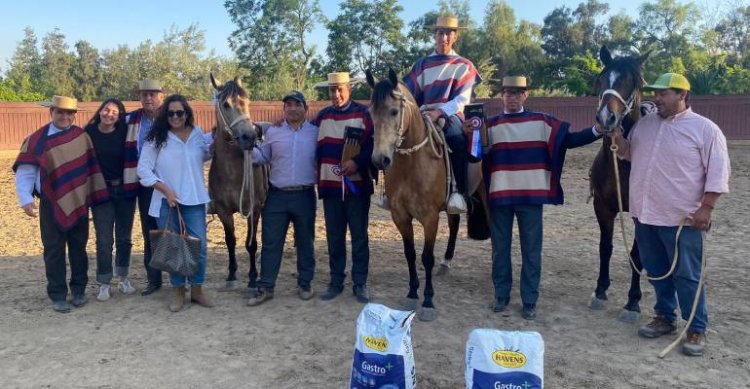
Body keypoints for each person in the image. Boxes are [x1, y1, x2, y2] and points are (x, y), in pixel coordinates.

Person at [612, 73, 730, 356]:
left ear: (681, 95)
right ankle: (665, 316)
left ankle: (696, 327)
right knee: (656, 271)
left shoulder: (705, 130)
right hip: (645, 215)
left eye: (663, 94)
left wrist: (707, 207)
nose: (656, 98)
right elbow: (629, 154)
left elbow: (718, 172)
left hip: (683, 219)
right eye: (655, 93)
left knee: (687, 275)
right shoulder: (644, 126)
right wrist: (618, 139)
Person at [473, 76, 603, 320]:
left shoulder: (541, 122)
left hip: (530, 198)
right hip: (500, 197)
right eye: (507, 93)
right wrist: (467, 133)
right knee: (500, 250)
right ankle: (501, 295)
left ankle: (529, 300)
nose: (511, 97)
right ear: (501, 96)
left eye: (516, 93)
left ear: (525, 96)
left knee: (531, 251)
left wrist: (598, 130)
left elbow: (571, 140)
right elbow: (471, 152)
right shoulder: (487, 125)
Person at [13, 96, 109, 312]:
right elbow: (26, 172)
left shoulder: (81, 137)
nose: (65, 117)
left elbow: (90, 169)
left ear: (74, 115)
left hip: (79, 200)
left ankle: (78, 290)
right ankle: (57, 294)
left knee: (78, 248)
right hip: (50, 202)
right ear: (52, 112)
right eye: (60, 112)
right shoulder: (37, 141)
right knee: (53, 250)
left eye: (69, 113)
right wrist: (26, 199)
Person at [137, 94, 214, 312]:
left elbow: (204, 155)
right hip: (166, 202)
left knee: (198, 248)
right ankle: (179, 290)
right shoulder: (156, 138)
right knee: (173, 248)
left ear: (187, 113)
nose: (175, 117)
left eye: (179, 112)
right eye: (170, 113)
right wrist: (165, 190)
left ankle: (197, 289)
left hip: (195, 200)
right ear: (165, 115)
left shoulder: (197, 134)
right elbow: (143, 169)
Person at [403, 15, 482, 213]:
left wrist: (440, 112)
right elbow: (409, 93)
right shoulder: (421, 64)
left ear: (455, 37)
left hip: (451, 114)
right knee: (398, 136)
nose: (444, 37)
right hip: (423, 114)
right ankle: (393, 191)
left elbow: (462, 100)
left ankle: (459, 193)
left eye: (449, 33)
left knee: (457, 138)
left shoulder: (465, 65)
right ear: (434, 35)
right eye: (440, 33)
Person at [246, 91, 318, 307]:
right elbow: (263, 157)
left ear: (305, 108)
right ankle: (266, 286)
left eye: (297, 104)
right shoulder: (274, 132)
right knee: (271, 242)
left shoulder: (315, 132)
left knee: (305, 242)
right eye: (288, 105)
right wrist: (248, 149)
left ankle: (305, 283)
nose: (293, 108)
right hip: (277, 195)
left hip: (305, 194)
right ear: (284, 109)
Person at [312, 72, 374, 303]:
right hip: (330, 187)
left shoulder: (364, 114)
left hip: (356, 188)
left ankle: (360, 283)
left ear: (349, 89)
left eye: (340, 89)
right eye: (332, 90)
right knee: (334, 237)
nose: (336, 94)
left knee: (359, 237)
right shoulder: (321, 117)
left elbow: (374, 145)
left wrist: (356, 162)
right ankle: (336, 280)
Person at [85, 98, 140, 301]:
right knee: (104, 240)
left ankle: (123, 278)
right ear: (100, 111)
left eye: (115, 112)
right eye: (106, 110)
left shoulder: (126, 132)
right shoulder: (88, 134)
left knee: (124, 238)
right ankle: (104, 282)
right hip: (101, 192)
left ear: (120, 116)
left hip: (125, 190)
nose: (109, 114)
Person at [127, 79, 165, 296]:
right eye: (144, 94)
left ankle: (182, 277)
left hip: (171, 182)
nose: (149, 98)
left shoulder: (173, 117)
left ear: (161, 95)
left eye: (153, 94)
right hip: (145, 184)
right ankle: (154, 279)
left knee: (175, 229)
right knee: (150, 231)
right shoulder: (131, 120)